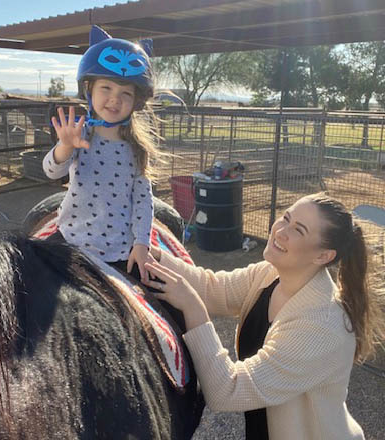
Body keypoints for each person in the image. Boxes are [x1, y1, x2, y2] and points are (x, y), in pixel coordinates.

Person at [144, 193, 385, 440]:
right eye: (286, 218)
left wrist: (192, 307)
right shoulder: (271, 274)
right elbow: (213, 289)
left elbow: (228, 390)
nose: (281, 231)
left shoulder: (321, 326)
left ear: (323, 256)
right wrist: (152, 255)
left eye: (298, 230)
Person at [43, 25, 161, 282]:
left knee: (156, 304)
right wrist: (65, 147)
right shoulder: (80, 135)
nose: (114, 99)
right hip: (71, 239)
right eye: (106, 88)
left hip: (118, 248)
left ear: (135, 102)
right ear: (90, 90)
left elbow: (143, 199)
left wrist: (141, 243)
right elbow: (52, 171)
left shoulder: (137, 149)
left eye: (125, 93)